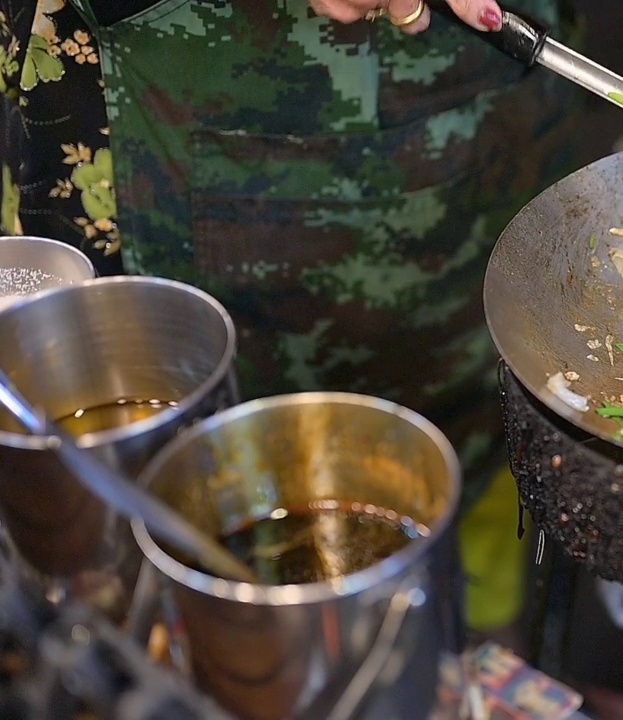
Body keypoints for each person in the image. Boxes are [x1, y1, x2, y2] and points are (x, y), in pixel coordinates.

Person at [0, 0, 584, 645]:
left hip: (501, 87)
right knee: (184, 522)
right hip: (186, 98)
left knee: (495, 398)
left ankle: (482, 667)